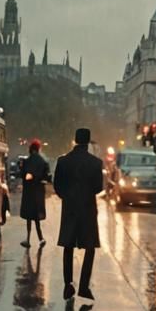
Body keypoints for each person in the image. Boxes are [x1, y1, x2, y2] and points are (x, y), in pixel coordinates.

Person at [53, 128, 103, 301]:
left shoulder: (63, 161)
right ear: (88, 141)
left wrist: (67, 196)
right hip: (88, 208)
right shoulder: (96, 163)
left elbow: (57, 185)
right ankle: (83, 286)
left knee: (68, 246)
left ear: (75, 140)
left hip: (70, 208)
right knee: (89, 247)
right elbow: (98, 187)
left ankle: (68, 285)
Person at [20, 140, 51, 247]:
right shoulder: (43, 161)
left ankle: (28, 239)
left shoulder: (27, 161)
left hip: (29, 192)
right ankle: (41, 238)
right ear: (38, 149)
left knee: (29, 217)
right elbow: (47, 176)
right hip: (38, 192)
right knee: (37, 216)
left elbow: (22, 175)